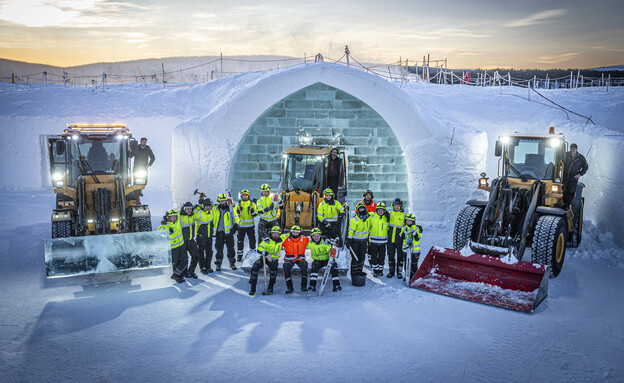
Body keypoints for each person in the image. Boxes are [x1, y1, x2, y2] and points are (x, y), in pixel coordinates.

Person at [249, 226, 286, 296]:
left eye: (277, 234)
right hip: (264, 257)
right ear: (271, 233)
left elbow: (292, 235)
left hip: (274, 259)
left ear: (280, 234)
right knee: (255, 267)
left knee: (273, 270)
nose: (275, 235)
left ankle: (270, 288)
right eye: (274, 233)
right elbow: (259, 249)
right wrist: (266, 253)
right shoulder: (267, 240)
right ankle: (252, 288)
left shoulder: (282, 239)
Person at [307, 228, 341, 292]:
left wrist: (331, 259)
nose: (316, 237)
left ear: (320, 236)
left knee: (334, 266)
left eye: (317, 236)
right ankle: (312, 285)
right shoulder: (309, 243)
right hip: (317, 261)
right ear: (312, 237)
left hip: (326, 260)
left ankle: (336, 285)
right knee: (314, 266)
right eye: (314, 236)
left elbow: (329, 251)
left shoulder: (325, 242)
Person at [158, 209, 186, 284]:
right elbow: (160, 230)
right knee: (175, 262)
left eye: (175, 216)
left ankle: (176, 274)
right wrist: (165, 226)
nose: (174, 218)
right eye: (171, 217)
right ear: (168, 218)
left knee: (184, 261)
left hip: (181, 245)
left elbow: (179, 211)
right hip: (174, 248)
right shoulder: (166, 225)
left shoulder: (177, 222)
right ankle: (178, 276)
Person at [212, 193, 238, 271]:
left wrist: (235, 226)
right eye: (221, 201)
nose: (223, 202)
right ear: (219, 201)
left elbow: (236, 218)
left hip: (229, 232)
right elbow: (207, 207)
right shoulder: (216, 209)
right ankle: (218, 264)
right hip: (220, 232)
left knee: (231, 248)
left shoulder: (230, 209)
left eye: (224, 201)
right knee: (219, 249)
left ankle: (232, 263)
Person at [281, 225, 309, 294]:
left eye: (297, 232)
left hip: (300, 259)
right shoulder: (285, 238)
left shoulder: (304, 239)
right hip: (289, 259)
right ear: (291, 232)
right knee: (286, 266)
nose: (295, 234)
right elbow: (276, 240)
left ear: (300, 233)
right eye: (293, 232)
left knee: (304, 264)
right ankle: (290, 287)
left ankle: (303, 286)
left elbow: (315, 239)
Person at [346, 202, 370, 278]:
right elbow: (350, 231)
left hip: (364, 241)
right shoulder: (354, 220)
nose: (362, 210)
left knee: (362, 257)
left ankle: (360, 271)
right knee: (355, 257)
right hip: (355, 242)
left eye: (363, 208)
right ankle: (354, 273)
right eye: (360, 209)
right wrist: (349, 241)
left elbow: (375, 215)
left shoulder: (368, 219)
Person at [234, 189, 258, 262]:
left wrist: (253, 211)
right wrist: (238, 213)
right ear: (241, 196)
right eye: (243, 195)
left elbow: (256, 214)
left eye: (246, 195)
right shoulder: (238, 204)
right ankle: (239, 256)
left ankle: (252, 254)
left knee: (252, 241)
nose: (244, 196)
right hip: (241, 227)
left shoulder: (252, 204)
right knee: (240, 241)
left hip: (250, 226)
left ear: (248, 196)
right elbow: (234, 214)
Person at [368, 202, 389, 277]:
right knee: (374, 257)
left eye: (382, 210)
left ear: (384, 211)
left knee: (381, 257)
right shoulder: (372, 216)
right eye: (379, 210)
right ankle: (375, 270)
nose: (380, 211)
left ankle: (380, 270)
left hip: (383, 242)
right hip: (373, 242)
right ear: (376, 210)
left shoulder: (386, 218)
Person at [194, 198, 214, 274]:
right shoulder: (199, 212)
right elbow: (192, 214)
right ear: (203, 206)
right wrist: (198, 206)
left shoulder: (212, 211)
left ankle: (208, 266)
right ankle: (202, 267)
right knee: (201, 252)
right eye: (206, 206)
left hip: (209, 235)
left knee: (209, 252)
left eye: (209, 206)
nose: (208, 207)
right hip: (201, 236)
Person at [387, 198, 406, 278]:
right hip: (391, 239)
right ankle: (391, 271)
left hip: (400, 239)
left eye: (398, 205)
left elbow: (409, 224)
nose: (397, 207)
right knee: (390, 256)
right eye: (395, 205)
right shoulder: (390, 213)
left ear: (401, 206)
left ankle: (399, 272)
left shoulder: (404, 215)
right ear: (393, 206)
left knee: (400, 256)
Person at [179, 201, 199, 278]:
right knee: (184, 258)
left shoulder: (193, 215)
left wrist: (199, 204)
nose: (189, 210)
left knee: (196, 256)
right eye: (187, 209)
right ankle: (184, 273)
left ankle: (191, 271)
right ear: (184, 209)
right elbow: (172, 217)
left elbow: (200, 212)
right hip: (182, 241)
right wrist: (167, 218)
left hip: (191, 240)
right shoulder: (179, 215)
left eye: (190, 209)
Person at [401, 213, 423, 281]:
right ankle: (407, 275)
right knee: (406, 264)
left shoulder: (417, 228)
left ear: (413, 221)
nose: (409, 222)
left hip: (415, 251)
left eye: (410, 221)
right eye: (407, 221)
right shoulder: (404, 228)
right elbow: (401, 237)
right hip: (406, 250)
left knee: (414, 264)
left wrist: (413, 232)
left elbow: (417, 238)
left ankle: (414, 276)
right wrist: (406, 233)